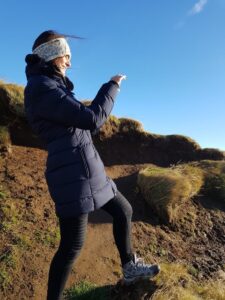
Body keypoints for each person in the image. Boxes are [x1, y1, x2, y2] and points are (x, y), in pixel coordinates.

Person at [24, 30, 160, 300]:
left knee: (123, 210)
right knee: (72, 246)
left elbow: (83, 126)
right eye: (66, 57)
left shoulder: (53, 87)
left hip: (88, 169)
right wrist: (111, 85)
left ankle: (130, 267)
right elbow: (93, 119)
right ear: (51, 55)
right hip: (72, 175)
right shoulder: (41, 89)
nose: (69, 64)